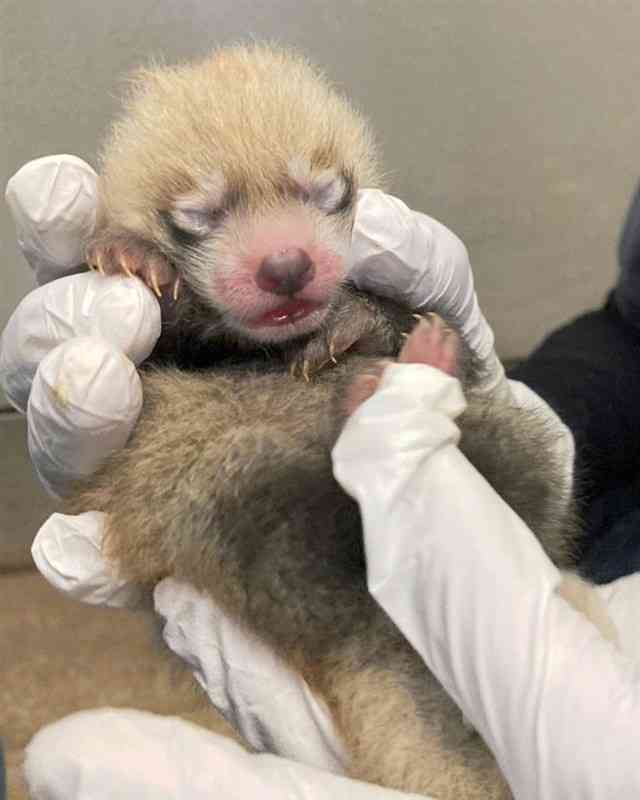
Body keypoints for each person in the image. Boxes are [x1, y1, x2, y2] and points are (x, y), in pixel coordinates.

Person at [3, 156, 640, 800]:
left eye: (323, 194)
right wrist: (550, 418)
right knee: (219, 483)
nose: (285, 258)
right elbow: (630, 330)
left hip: (440, 564)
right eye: (200, 216)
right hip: (294, 536)